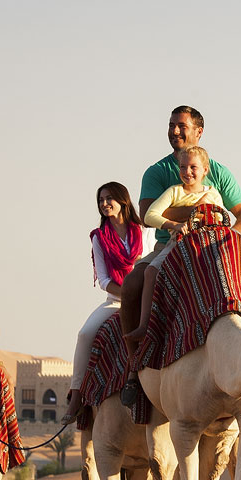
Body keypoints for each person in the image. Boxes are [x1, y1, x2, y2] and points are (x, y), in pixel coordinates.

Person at [119, 105, 241, 404]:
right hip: (169, 244)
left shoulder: (217, 172)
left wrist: (229, 237)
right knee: (131, 286)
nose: (175, 131)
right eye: (171, 125)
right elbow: (147, 214)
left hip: (215, 246)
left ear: (198, 132)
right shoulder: (157, 172)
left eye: (181, 125)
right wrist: (197, 214)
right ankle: (133, 368)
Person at [61, 182, 146, 424]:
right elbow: (104, 280)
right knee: (85, 334)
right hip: (116, 301)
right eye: (101, 200)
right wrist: (126, 295)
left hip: (145, 297)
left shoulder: (144, 232)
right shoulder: (99, 238)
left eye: (109, 198)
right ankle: (76, 396)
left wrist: (137, 295)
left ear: (123, 201)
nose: (104, 204)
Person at [124, 145, 221, 342]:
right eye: (183, 167)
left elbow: (220, 218)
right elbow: (150, 215)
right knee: (150, 271)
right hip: (176, 243)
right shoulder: (174, 192)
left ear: (205, 170)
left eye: (193, 167)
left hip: (205, 244)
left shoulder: (212, 194)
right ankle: (145, 326)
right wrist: (174, 224)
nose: (187, 172)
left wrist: (205, 217)